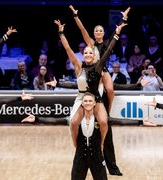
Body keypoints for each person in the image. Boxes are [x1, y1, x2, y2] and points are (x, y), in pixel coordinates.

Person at [22, 92, 154, 179]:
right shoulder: (75, 120)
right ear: (82, 104)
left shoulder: (101, 119)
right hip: (80, 157)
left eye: (90, 101)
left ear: (95, 103)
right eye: (85, 101)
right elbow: (56, 120)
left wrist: (141, 122)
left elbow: (120, 121)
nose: (88, 103)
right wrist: (37, 119)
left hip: (97, 157)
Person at [54, 19, 126, 150]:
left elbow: (109, 48)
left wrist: (117, 33)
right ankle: (77, 146)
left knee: (104, 121)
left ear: (94, 55)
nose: (87, 54)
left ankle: (101, 143)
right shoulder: (78, 65)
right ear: (83, 54)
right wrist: (61, 33)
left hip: (95, 97)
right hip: (81, 97)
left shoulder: (99, 66)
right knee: (73, 122)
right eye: (85, 53)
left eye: (90, 53)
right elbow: (67, 48)